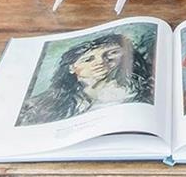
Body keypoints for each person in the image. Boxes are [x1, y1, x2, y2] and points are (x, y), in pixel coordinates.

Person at [18, 30, 153, 125]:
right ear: (71, 68)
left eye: (111, 53)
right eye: (88, 60)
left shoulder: (143, 88)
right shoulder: (45, 105)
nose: (101, 62)